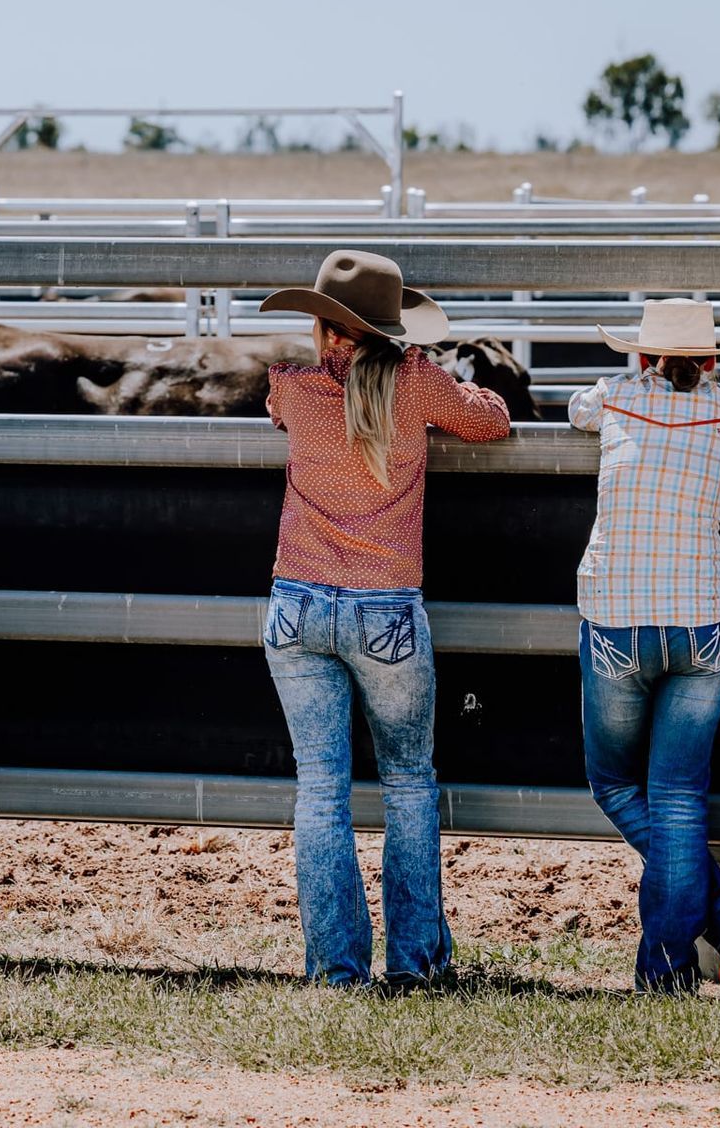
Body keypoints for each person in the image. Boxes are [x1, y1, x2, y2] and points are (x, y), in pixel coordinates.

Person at [258, 250, 511, 988]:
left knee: (320, 788)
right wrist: (449, 377)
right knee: (407, 783)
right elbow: (489, 423)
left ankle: (336, 969)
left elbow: (276, 410)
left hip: (297, 602)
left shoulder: (294, 391)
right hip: (386, 612)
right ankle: (415, 963)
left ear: (326, 328)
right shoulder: (418, 385)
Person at [571, 298, 720, 992]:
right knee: (679, 793)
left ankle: (707, 926)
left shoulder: (615, 396)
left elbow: (576, 411)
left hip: (618, 614)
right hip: (702, 616)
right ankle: (683, 948)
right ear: (714, 360)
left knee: (614, 783)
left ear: (640, 355)